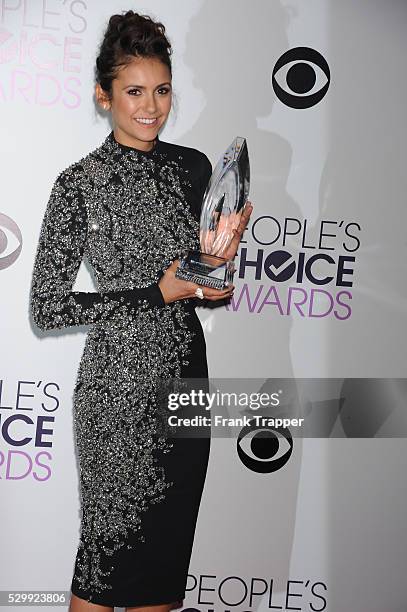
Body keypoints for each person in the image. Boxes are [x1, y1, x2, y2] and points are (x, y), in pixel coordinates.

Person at [29, 10, 253, 612]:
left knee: (161, 576)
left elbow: (210, 287)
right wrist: (158, 293)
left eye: (161, 90)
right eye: (134, 92)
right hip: (117, 393)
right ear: (104, 97)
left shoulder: (193, 168)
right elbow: (47, 308)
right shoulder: (78, 183)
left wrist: (219, 266)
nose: (150, 106)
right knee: (102, 576)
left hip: (184, 381)